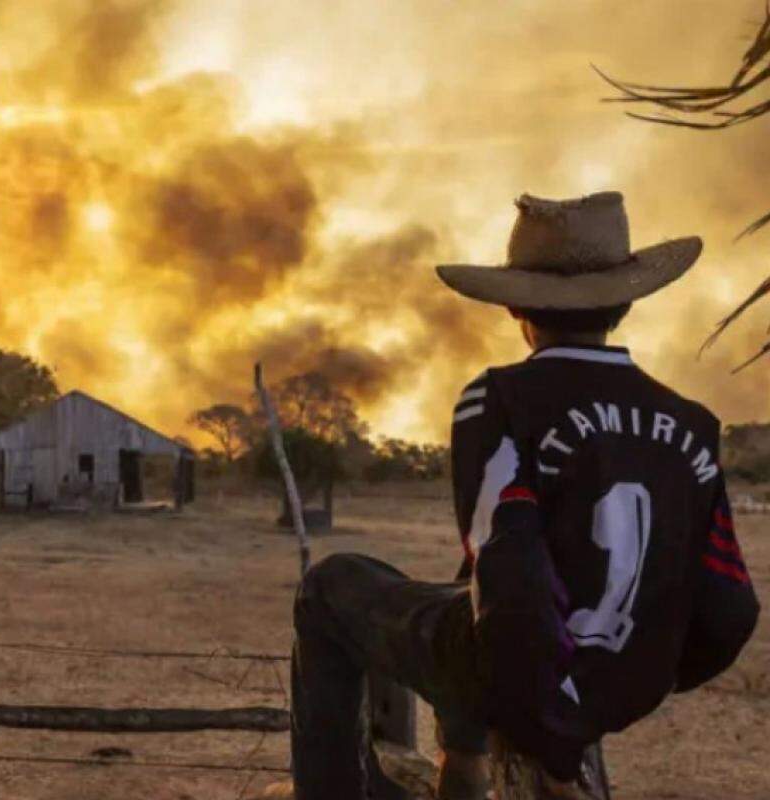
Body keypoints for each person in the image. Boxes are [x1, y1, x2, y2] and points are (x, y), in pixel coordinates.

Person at [290, 192, 760, 799]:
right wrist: (629, 674)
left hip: (525, 678)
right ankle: (461, 754)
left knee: (329, 587)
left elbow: (510, 570)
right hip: (618, 679)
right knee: (467, 595)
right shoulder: (692, 423)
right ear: (625, 302)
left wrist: (553, 734)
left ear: (514, 305)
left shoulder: (500, 399)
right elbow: (730, 610)